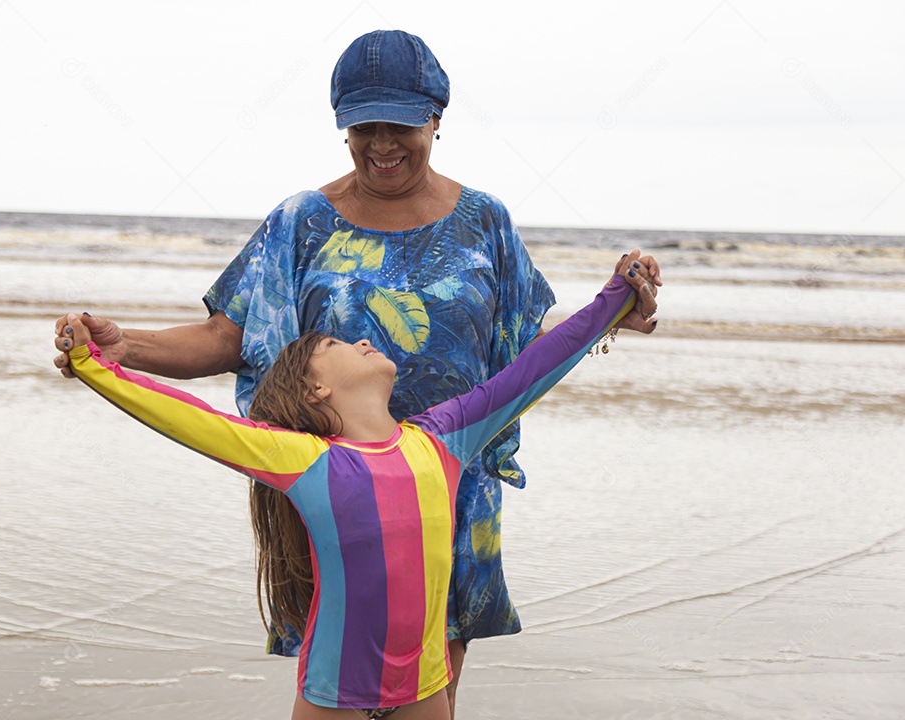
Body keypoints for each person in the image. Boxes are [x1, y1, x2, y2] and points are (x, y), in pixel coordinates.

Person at [52, 29, 661, 714]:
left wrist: (612, 319)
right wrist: (123, 348)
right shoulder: (301, 221)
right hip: (332, 494)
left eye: (399, 123)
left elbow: (523, 352)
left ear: (435, 118)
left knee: (433, 682)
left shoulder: (484, 221)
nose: (381, 144)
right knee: (340, 674)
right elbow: (229, 337)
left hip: (449, 482)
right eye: (362, 125)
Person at [62, 259, 650, 718]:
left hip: (424, 684)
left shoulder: (443, 440)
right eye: (336, 345)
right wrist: (94, 364)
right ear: (314, 390)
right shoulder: (304, 460)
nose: (363, 339)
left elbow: (533, 369)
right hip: (334, 690)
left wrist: (614, 298)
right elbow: (188, 418)